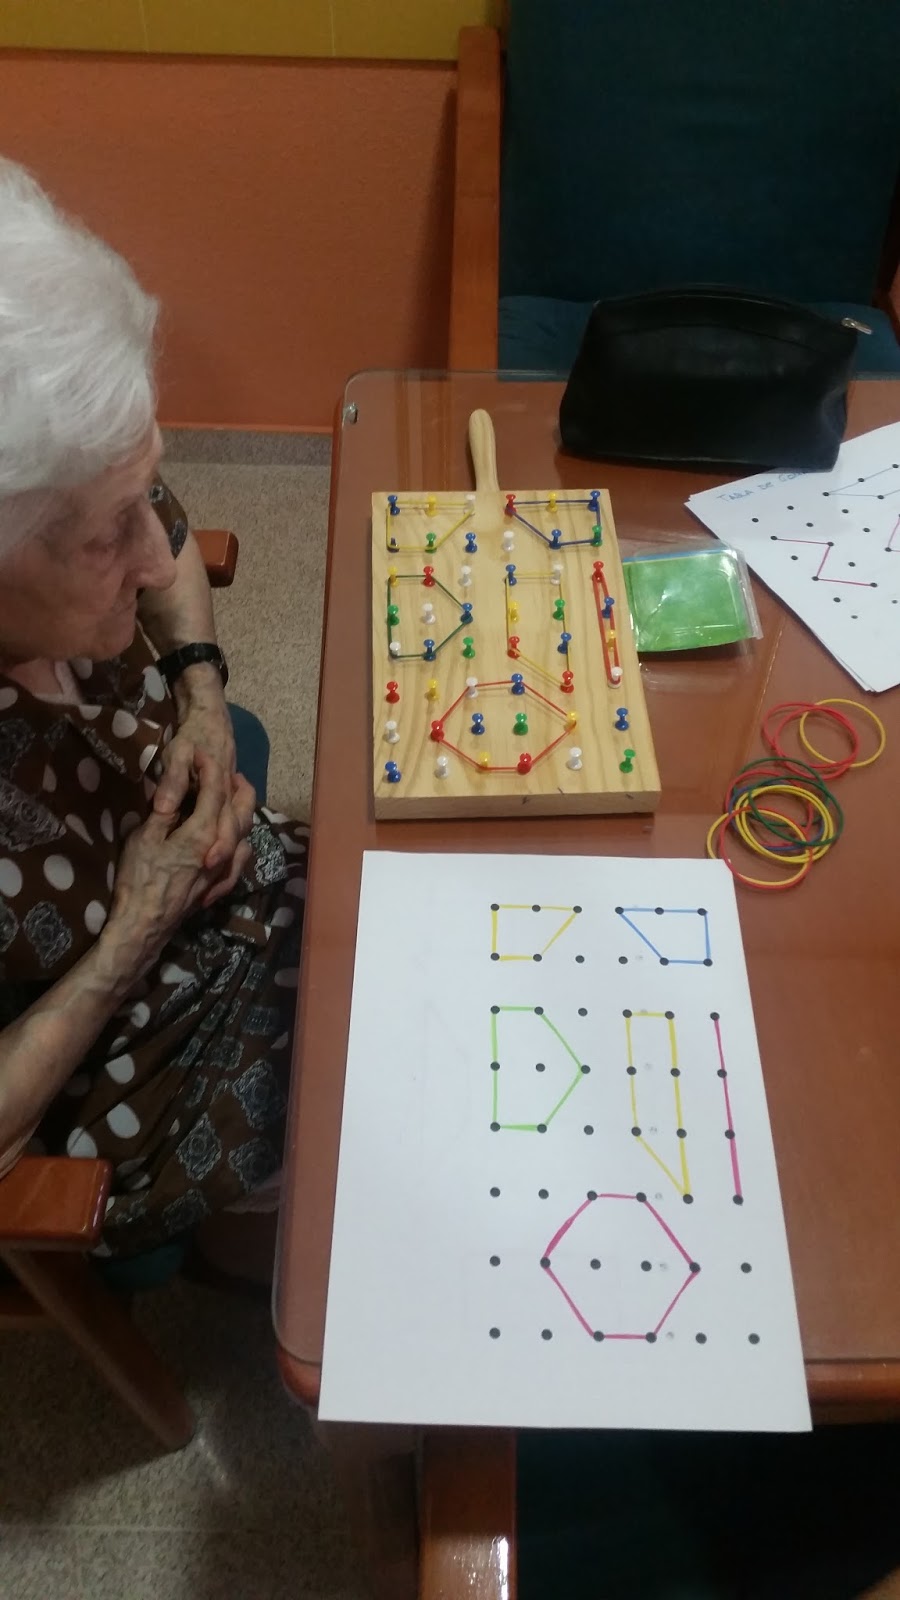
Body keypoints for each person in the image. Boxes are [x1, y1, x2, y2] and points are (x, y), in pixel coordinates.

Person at [0, 158, 308, 1264]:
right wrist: (134, 928)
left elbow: (165, 532)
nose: (157, 557)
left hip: (190, 868)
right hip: (101, 1055)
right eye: (103, 536)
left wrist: (203, 697)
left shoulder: (67, 475)